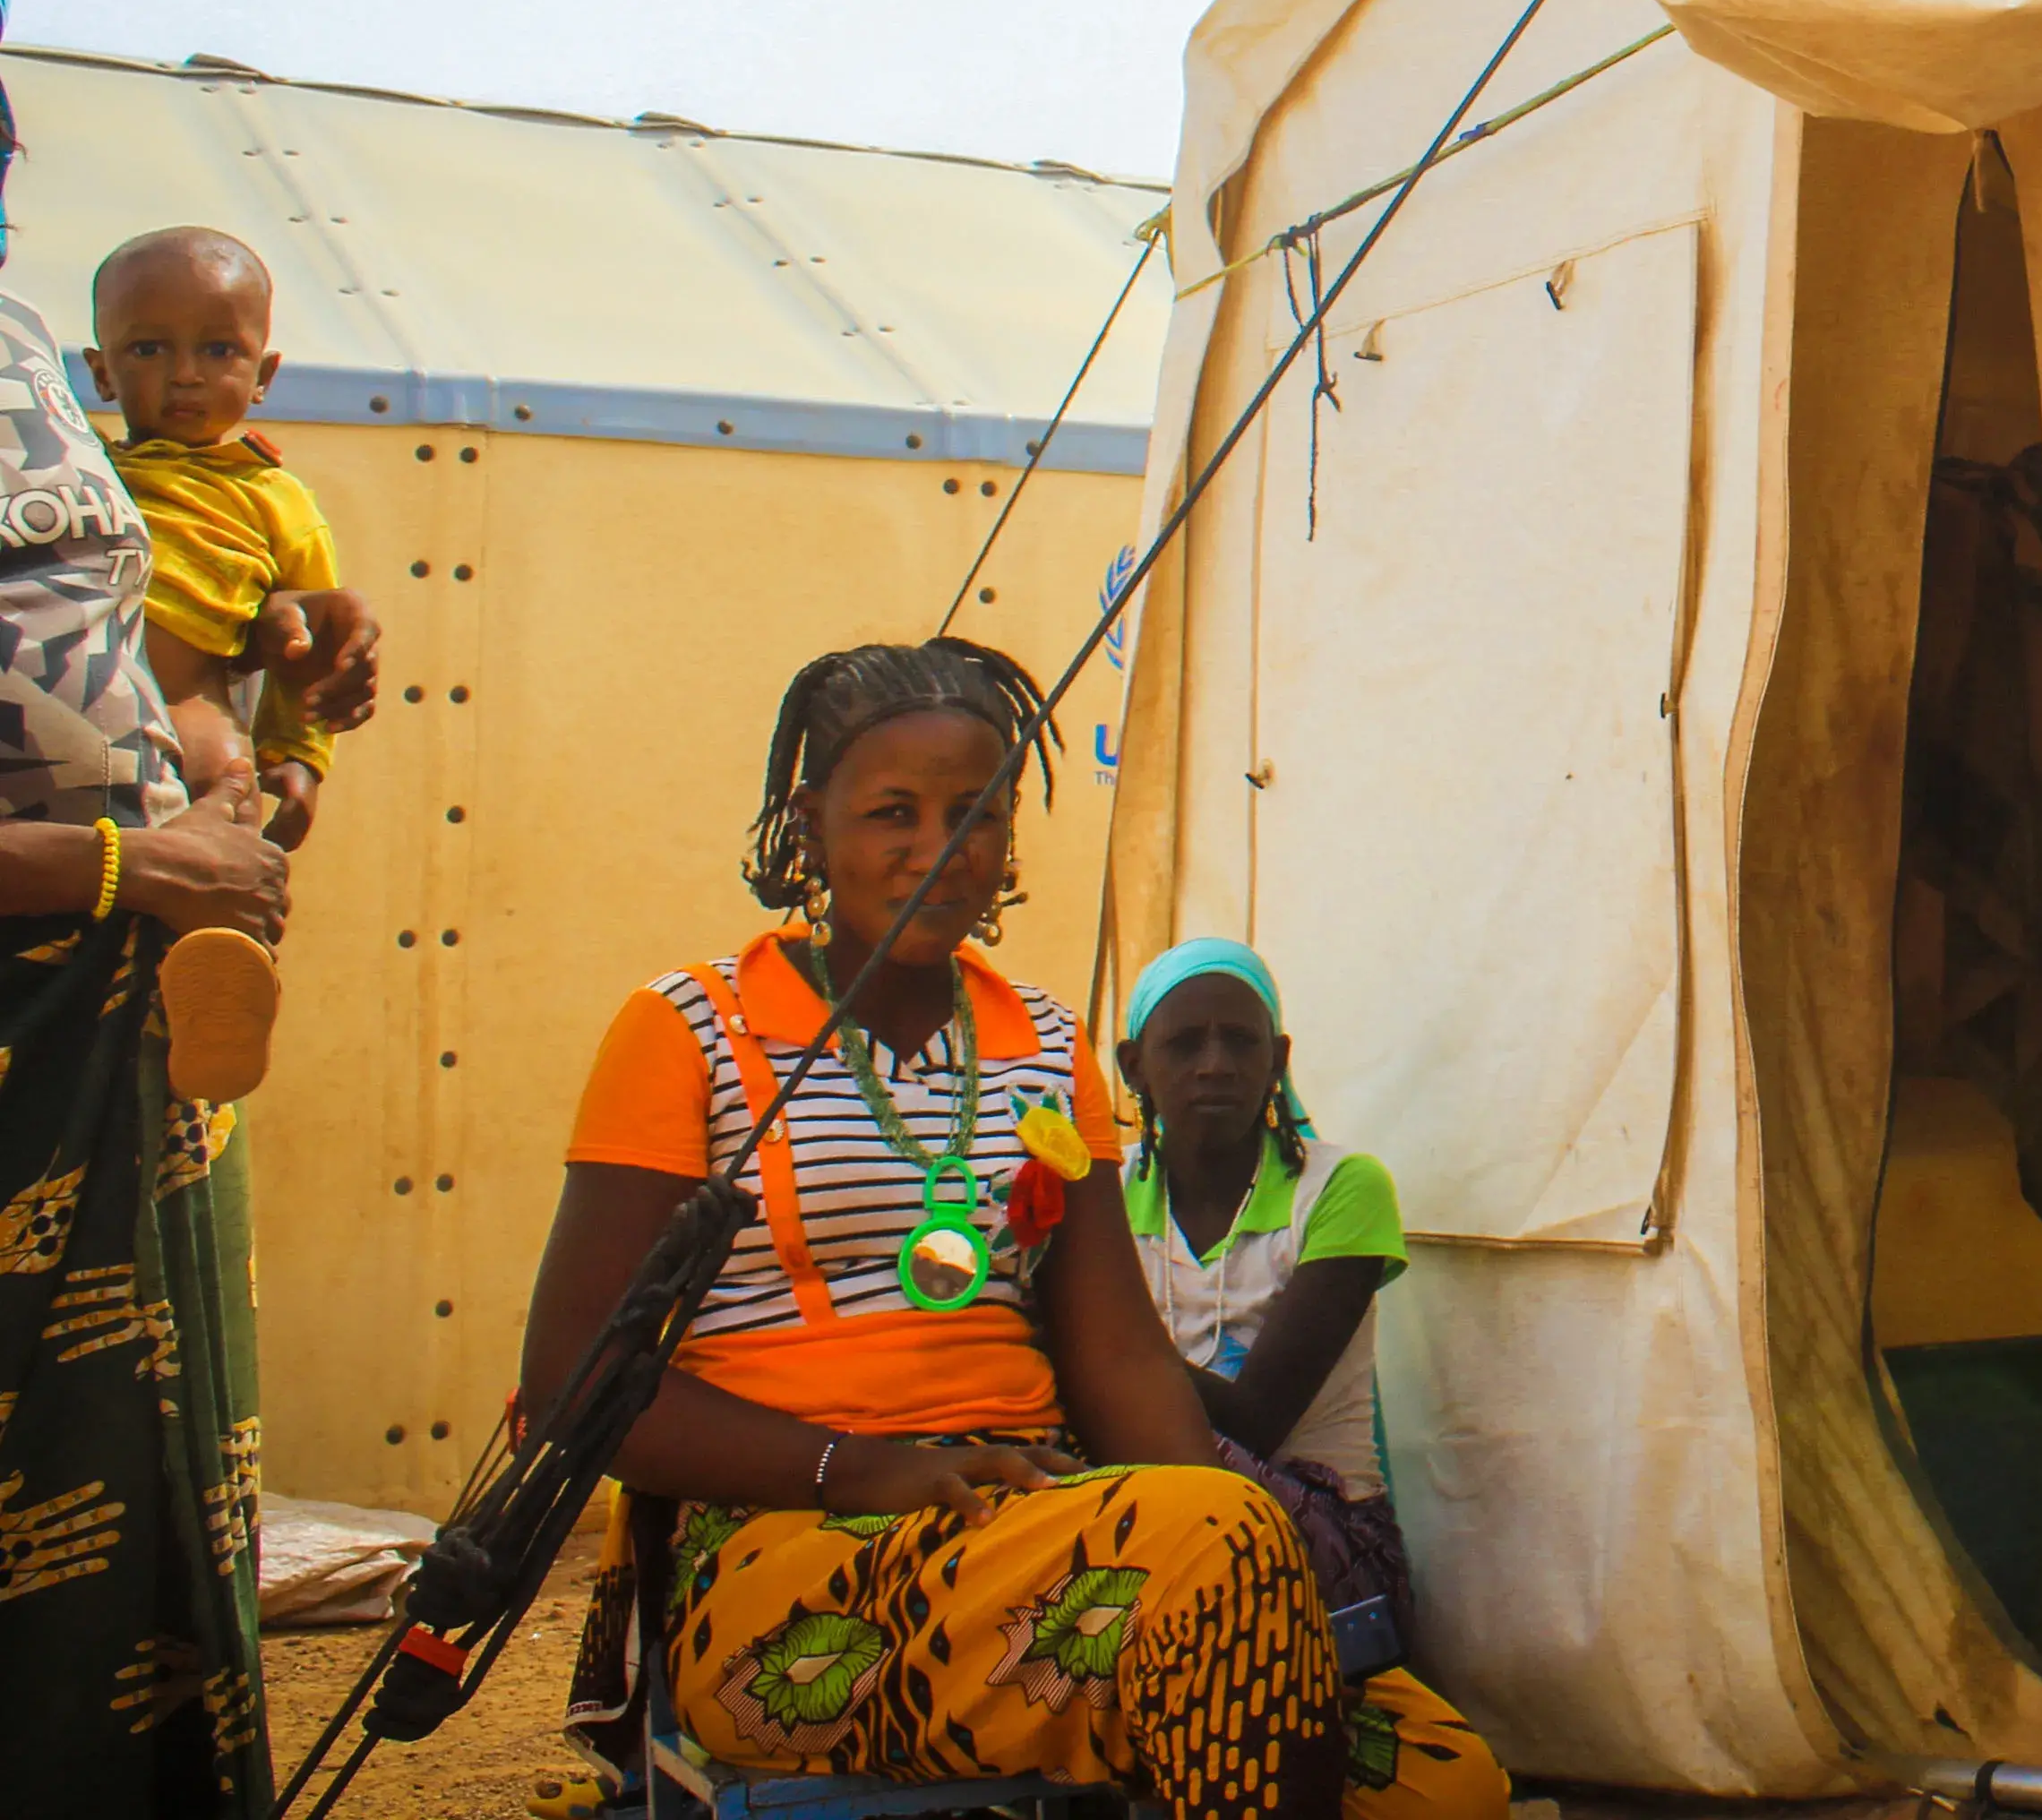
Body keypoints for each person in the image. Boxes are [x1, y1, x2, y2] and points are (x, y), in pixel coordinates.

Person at [525, 640, 1504, 1818]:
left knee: (1441, 1785)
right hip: (788, 1553)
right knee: (1231, 1628)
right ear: (810, 821)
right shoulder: (687, 1030)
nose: (943, 852)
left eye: (977, 814)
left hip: (1039, 1516)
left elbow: (1119, 1356)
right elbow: (574, 1389)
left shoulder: (1043, 1046)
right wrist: (865, 1467)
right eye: (895, 812)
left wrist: (1224, 1527)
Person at [0, 20, 291, 1819]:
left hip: (133, 1036)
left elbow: (122, 630)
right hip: (39, 1031)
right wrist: (133, 868)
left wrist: (216, 759)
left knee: (160, 1504)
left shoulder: (33, 349)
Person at [85, 225, 382, 1104]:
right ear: (101, 374)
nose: (185, 374)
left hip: (187, 703)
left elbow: (313, 654)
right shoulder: (84, 475)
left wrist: (303, 765)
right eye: (149, 348)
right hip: (81, 708)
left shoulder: (273, 497)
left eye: (219, 349)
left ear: (265, 372)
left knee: (225, 799)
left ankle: (221, 993)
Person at [1118, 939, 1415, 1638]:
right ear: (1134, 1067)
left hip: (1320, 1541)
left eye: (1240, 1042)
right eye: (1185, 1043)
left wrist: (1100, 1351)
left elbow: (1253, 1422)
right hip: (1148, 1517)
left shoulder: (1342, 1189)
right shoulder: (1101, 1195)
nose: (1215, 1064)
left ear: (1277, 1060)